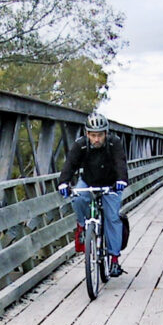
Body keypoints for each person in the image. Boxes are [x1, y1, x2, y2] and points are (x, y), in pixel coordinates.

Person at [58, 112, 128, 277]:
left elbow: (120, 162)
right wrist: (63, 182)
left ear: (106, 133)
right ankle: (83, 226)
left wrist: (122, 180)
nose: (96, 139)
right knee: (78, 198)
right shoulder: (81, 145)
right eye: (93, 135)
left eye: (100, 135)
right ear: (87, 134)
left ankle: (114, 260)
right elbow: (70, 165)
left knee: (112, 218)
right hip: (88, 181)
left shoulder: (114, 143)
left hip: (111, 184)